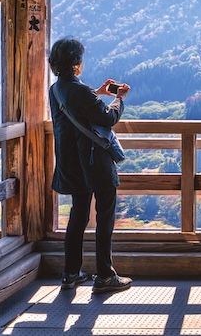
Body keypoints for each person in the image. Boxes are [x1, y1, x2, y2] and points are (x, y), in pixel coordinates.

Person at [48, 37, 133, 294]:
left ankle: (70, 273)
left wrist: (97, 93)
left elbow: (76, 106)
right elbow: (108, 118)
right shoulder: (79, 91)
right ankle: (105, 276)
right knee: (104, 216)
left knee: (78, 215)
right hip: (95, 162)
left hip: (70, 162)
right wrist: (118, 98)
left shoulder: (57, 89)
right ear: (76, 64)